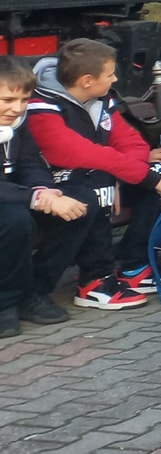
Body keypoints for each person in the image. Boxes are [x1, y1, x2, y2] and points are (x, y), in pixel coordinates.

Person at [22, 40, 161, 311]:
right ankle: (94, 280)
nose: (115, 79)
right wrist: (116, 173)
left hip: (93, 178)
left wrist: (119, 175)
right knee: (93, 192)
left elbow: (132, 143)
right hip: (52, 187)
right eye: (110, 74)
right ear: (87, 81)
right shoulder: (42, 106)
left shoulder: (102, 99)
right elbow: (74, 153)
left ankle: (134, 265)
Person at [1, 57, 78, 334]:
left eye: (24, 100)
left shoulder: (18, 123)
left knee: (80, 205)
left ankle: (33, 291)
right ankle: (5, 302)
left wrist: (44, 191)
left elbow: (30, 163)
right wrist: (34, 199)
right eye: (8, 100)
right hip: (9, 201)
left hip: (14, 196)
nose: (18, 108)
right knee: (15, 220)